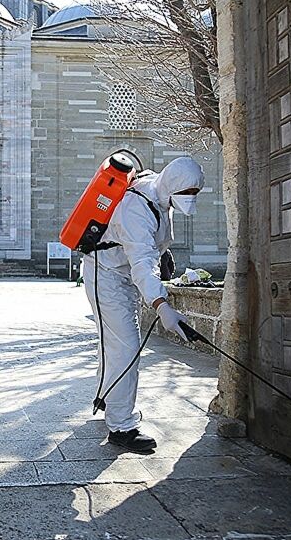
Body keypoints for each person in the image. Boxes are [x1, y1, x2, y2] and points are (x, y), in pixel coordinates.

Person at [82, 156, 204, 453]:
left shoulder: (160, 194)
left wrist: (163, 254)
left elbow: (149, 246)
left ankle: (107, 398)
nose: (190, 199)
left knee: (113, 344)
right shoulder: (137, 208)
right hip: (106, 274)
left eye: (194, 193)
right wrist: (162, 305)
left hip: (119, 274)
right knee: (126, 347)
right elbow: (141, 263)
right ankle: (121, 426)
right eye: (186, 192)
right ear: (173, 184)